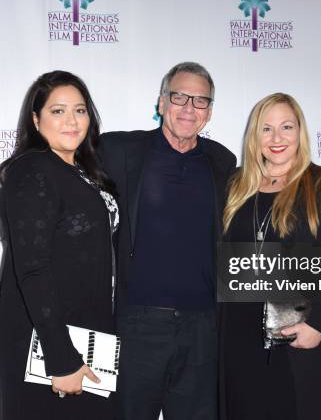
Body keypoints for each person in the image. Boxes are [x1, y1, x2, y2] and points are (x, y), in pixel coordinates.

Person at [99, 62, 236, 420]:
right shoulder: (118, 150)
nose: (189, 108)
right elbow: (63, 161)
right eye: (179, 97)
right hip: (136, 328)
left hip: (203, 329)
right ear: (161, 102)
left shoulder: (223, 162)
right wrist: (18, 178)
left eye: (201, 101)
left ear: (210, 112)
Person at [0, 71, 119, 420]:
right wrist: (61, 357)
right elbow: (33, 268)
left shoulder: (83, 171)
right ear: (35, 119)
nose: (72, 121)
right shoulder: (32, 170)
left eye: (80, 110)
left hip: (87, 333)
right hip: (47, 339)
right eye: (58, 111)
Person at [219, 93, 321, 420]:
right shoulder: (236, 186)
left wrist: (318, 324)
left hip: (295, 331)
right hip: (236, 335)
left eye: (286, 127)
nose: (277, 138)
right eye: (266, 129)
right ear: (255, 136)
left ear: (300, 132)